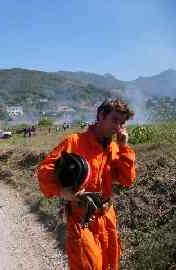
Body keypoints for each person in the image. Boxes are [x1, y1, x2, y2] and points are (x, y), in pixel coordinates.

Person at [37, 99, 136, 270]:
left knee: (109, 265)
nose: (118, 127)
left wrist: (124, 147)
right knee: (88, 265)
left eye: (122, 123)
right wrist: (62, 192)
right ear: (100, 115)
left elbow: (127, 180)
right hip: (81, 217)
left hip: (107, 217)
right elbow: (44, 171)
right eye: (114, 120)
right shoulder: (74, 142)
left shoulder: (115, 149)